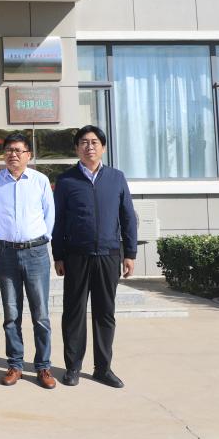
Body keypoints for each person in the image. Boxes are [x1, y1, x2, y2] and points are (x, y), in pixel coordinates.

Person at [53, 125, 138, 389]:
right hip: (76, 256)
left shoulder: (116, 178)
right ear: (77, 148)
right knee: (74, 313)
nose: (89, 146)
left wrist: (130, 253)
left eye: (94, 142)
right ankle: (73, 367)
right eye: (83, 142)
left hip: (108, 255)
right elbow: (58, 220)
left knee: (105, 313)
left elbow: (127, 217)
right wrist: (58, 255)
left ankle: (103, 368)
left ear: (103, 147)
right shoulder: (66, 180)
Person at [0, 132, 57, 389]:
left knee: (41, 315)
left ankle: (43, 366)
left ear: (29, 155)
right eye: (8, 150)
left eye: (18, 150)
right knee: (11, 313)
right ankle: (15, 365)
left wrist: (41, 239)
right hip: (6, 253)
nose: (13, 155)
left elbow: (50, 215)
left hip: (36, 252)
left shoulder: (40, 181)